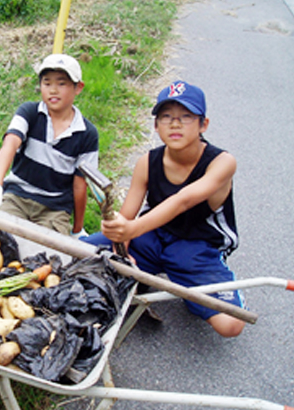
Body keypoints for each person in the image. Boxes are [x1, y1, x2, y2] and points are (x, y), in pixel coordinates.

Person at [83, 81, 246, 338]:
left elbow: (183, 200)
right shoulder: (147, 162)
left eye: (186, 117)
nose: (175, 124)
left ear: (204, 124)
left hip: (196, 246)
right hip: (152, 235)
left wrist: (131, 228)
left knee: (230, 325)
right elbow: (126, 217)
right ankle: (139, 277)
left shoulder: (222, 163)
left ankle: (188, 286)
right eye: (166, 117)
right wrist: (117, 234)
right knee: (77, 251)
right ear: (156, 125)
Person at [0, 54, 99, 237]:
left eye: (61, 84)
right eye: (47, 83)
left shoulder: (87, 134)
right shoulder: (29, 112)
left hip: (54, 208)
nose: (53, 90)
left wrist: (77, 229)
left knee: (45, 253)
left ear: (78, 87)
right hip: (17, 197)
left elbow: (80, 185)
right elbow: (10, 144)